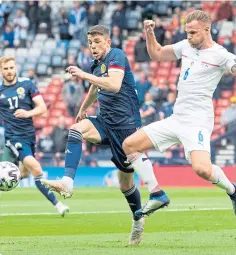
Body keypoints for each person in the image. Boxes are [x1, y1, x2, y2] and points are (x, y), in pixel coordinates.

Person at [42, 25, 160, 245]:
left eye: (97, 42)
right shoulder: (96, 65)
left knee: (124, 182)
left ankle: (138, 220)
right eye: (90, 43)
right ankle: (68, 181)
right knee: (76, 130)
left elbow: (114, 85)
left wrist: (83, 74)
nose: (93, 46)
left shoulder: (117, 55)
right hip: (105, 121)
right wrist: (83, 108)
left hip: (126, 127)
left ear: (108, 41)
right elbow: (95, 88)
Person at [122, 10, 236, 217]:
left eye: (193, 33)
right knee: (129, 145)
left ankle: (233, 190)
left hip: (198, 122)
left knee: (202, 169)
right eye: (187, 32)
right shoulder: (185, 46)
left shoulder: (220, 54)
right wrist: (149, 33)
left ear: (206, 29)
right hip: (177, 118)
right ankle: (156, 194)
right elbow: (156, 53)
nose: (189, 36)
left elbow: (233, 65)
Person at [0, 56, 69, 217]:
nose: (9, 71)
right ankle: (58, 205)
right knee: (37, 169)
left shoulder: (27, 85)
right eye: (6, 68)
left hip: (30, 137)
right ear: (1, 70)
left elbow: (42, 108)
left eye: (11, 68)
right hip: (14, 139)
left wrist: (27, 113)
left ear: (15, 68)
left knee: (23, 174)